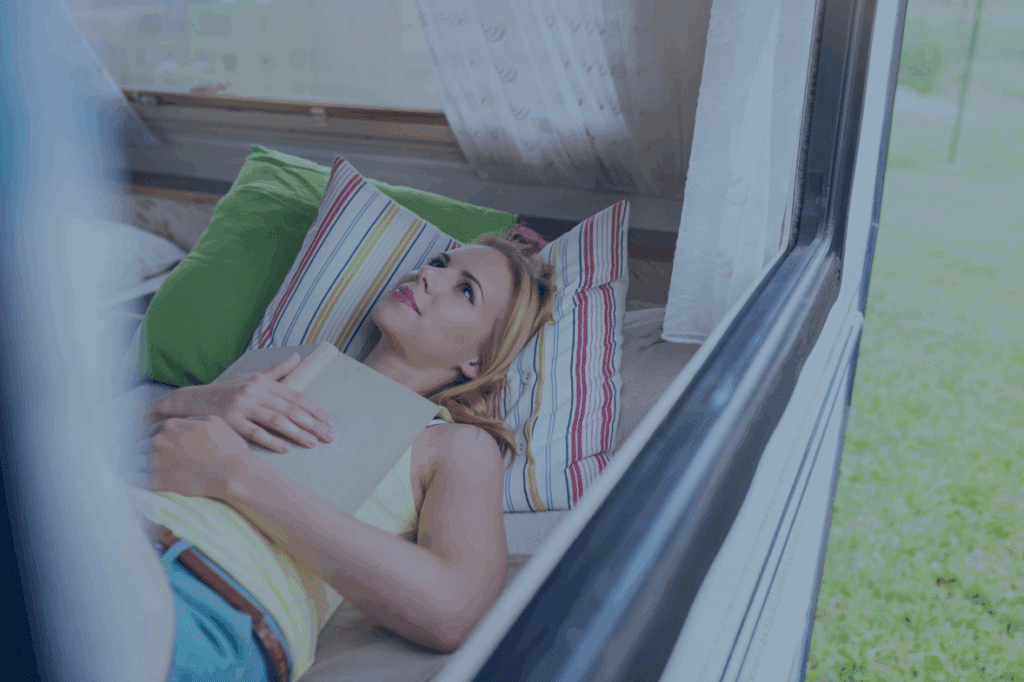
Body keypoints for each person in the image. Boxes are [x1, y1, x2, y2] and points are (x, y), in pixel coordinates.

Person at [134, 233, 555, 682]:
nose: (428, 275)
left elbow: (453, 610)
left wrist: (235, 475)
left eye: (465, 289)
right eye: (438, 262)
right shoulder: (277, 371)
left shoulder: (456, 445)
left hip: (205, 597)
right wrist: (178, 405)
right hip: (109, 529)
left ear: (478, 358)